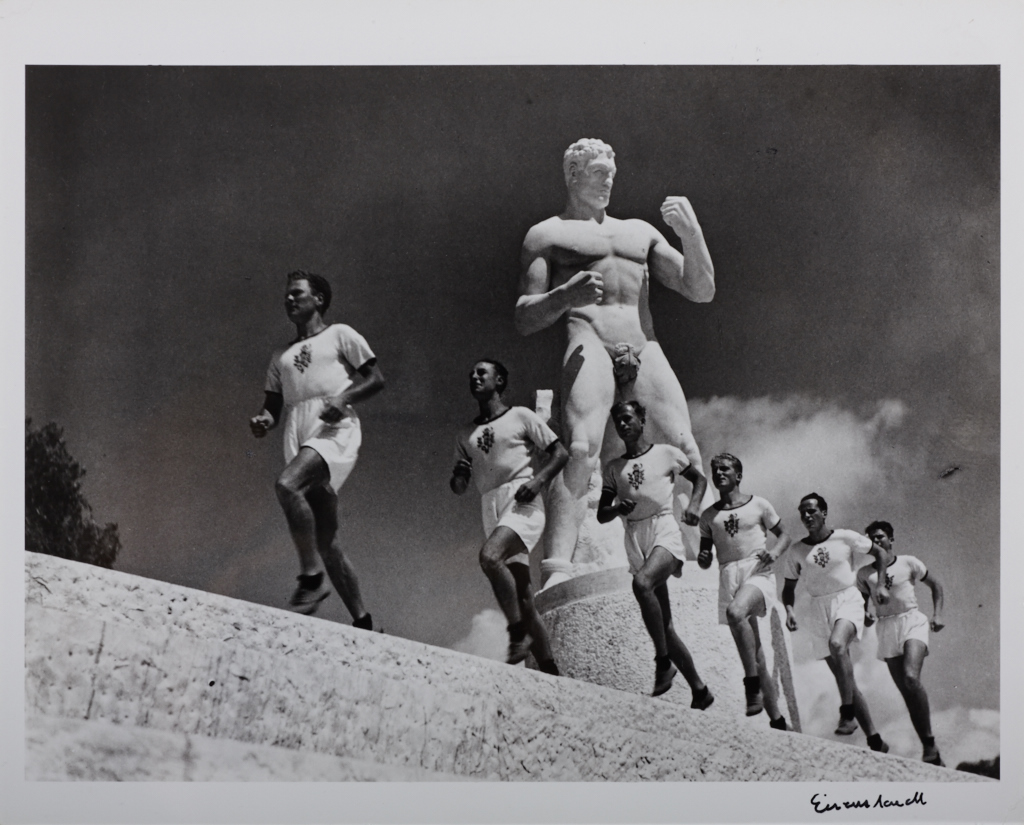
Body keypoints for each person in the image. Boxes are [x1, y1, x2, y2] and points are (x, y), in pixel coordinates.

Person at [516, 138, 715, 588]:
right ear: (572, 175)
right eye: (597, 173)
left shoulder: (639, 232)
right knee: (581, 447)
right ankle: (557, 569)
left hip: (643, 344)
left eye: (611, 173)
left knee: (685, 449)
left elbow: (700, 289)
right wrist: (564, 296)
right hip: (589, 340)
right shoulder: (547, 234)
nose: (607, 181)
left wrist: (692, 234)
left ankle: (698, 555)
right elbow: (525, 316)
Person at [250, 270, 383, 626]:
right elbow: (272, 407)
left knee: (287, 485)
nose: (289, 300)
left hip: (334, 426)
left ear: (319, 299)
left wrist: (344, 398)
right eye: (287, 296)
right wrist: (264, 420)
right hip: (297, 429)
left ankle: (310, 580)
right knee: (326, 539)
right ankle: (363, 619)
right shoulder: (281, 357)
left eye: (297, 293)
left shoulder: (341, 334)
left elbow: (375, 378)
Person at [450, 360, 569, 669]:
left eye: (481, 373)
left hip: (523, 500)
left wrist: (537, 480)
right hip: (490, 506)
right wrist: (459, 478)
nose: (474, 377)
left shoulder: (521, 416)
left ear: (499, 380)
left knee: (490, 557)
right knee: (525, 599)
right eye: (471, 374)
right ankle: (550, 670)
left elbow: (560, 453)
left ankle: (517, 634)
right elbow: (460, 481)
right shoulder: (465, 433)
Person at [597, 400, 713, 706]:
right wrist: (617, 508)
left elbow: (699, 479)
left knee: (642, 584)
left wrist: (694, 506)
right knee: (665, 627)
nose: (622, 425)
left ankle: (663, 664)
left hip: (664, 529)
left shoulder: (666, 453)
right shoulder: (613, 468)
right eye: (617, 421)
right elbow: (601, 514)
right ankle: (700, 691)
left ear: (641, 420)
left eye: (627, 419)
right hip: (635, 536)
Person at [780, 493, 890, 751]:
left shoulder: (845, 537)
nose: (807, 516)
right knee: (846, 681)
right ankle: (875, 739)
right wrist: (789, 610)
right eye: (802, 512)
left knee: (838, 645)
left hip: (847, 600)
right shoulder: (796, 551)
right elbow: (788, 588)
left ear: (824, 512)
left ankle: (846, 711)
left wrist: (881, 586)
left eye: (812, 511)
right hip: (817, 610)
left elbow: (881, 554)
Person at [698, 453, 791, 728]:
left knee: (736, 612)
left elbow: (785, 534)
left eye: (724, 469)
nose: (718, 473)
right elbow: (705, 554)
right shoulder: (708, 516)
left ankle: (751, 685)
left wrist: (773, 554)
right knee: (757, 654)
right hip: (728, 575)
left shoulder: (759, 504)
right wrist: (704, 559)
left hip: (757, 571)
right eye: (714, 470)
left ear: (738, 475)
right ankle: (777, 719)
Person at [858, 520, 946, 765]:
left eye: (881, 537)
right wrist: (864, 616)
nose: (876, 542)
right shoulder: (865, 574)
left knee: (911, 678)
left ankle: (929, 742)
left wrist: (938, 614)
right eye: (872, 539)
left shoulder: (909, 562)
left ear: (891, 539)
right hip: (886, 628)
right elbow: (862, 606)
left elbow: (936, 585)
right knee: (907, 693)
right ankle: (931, 752)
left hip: (912, 621)